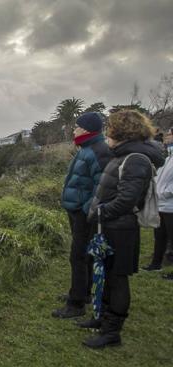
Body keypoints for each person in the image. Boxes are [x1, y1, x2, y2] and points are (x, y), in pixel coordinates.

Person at [83, 109, 165, 349]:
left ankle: (112, 332)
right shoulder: (124, 155)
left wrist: (101, 212)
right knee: (106, 276)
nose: (107, 132)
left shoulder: (135, 159)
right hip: (110, 226)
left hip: (120, 229)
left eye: (110, 128)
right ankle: (103, 318)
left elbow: (127, 199)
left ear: (121, 131)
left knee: (117, 279)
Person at [53, 112, 112, 319]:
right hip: (77, 209)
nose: (74, 130)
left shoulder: (97, 150)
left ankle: (76, 304)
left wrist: (87, 209)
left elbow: (101, 185)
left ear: (87, 129)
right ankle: (82, 292)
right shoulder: (87, 148)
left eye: (77, 127)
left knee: (78, 256)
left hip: (83, 213)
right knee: (83, 255)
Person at [142, 153, 173, 271]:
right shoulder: (168, 158)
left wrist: (164, 193)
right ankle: (156, 264)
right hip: (161, 206)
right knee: (159, 237)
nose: (169, 135)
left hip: (170, 206)